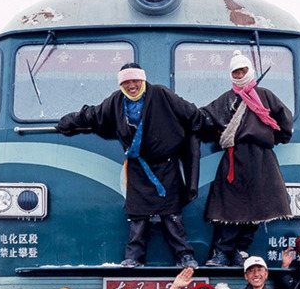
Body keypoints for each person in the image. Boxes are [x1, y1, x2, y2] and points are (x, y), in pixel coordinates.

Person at [57, 62, 201, 269]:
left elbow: (190, 113)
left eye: (134, 81)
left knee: (171, 214)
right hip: (138, 166)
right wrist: (68, 121)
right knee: (137, 215)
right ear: (121, 85)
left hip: (166, 165)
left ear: (142, 80)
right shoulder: (116, 101)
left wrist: (205, 126)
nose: (131, 85)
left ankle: (184, 255)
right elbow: (93, 115)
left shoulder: (161, 94)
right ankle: (133, 257)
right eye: (126, 82)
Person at [200, 50, 294, 267]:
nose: (240, 74)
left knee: (259, 207)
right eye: (236, 71)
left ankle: (241, 250)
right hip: (236, 157)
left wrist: (270, 138)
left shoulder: (266, 95)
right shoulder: (227, 99)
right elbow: (206, 120)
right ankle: (222, 252)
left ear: (249, 71)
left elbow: (284, 123)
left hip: (262, 158)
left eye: (243, 69)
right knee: (228, 206)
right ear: (231, 74)